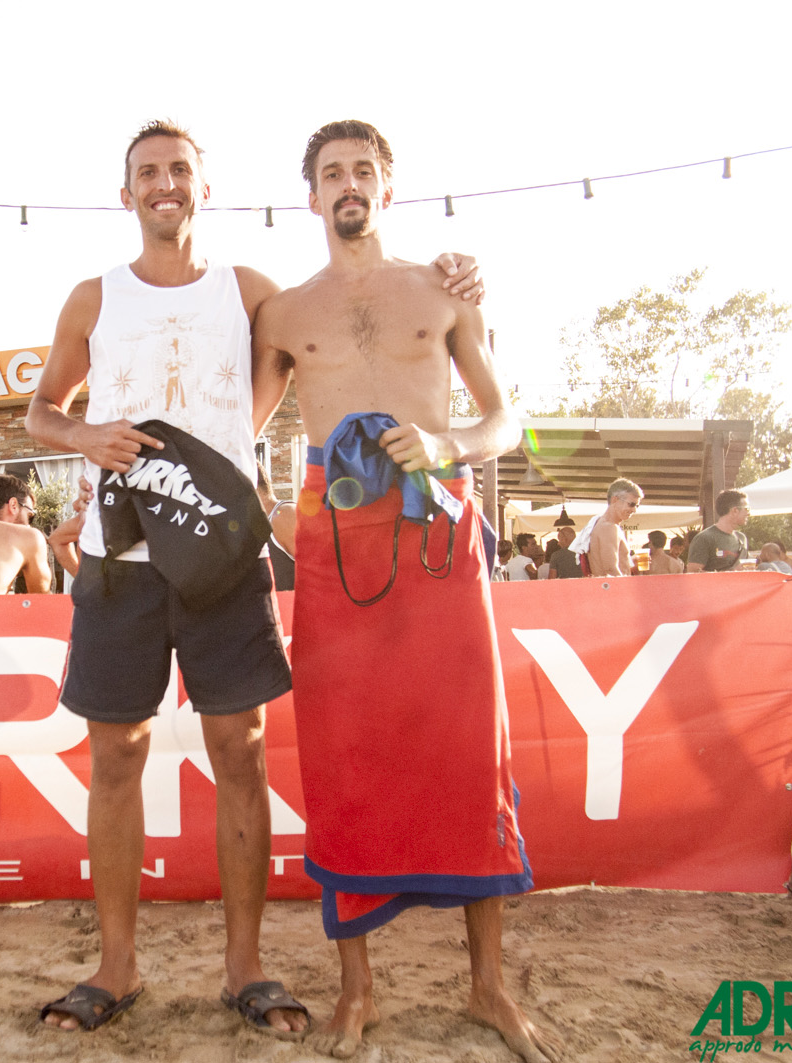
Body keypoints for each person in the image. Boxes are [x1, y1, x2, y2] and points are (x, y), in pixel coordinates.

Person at [25, 119, 486, 1039]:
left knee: (241, 752)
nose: (165, 183)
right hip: (119, 561)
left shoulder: (252, 295)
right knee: (116, 757)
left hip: (224, 556)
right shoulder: (93, 298)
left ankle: (246, 967)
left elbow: (326, 339)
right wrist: (83, 435)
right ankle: (116, 966)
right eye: (148, 172)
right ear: (127, 193)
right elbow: (43, 408)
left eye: (180, 170)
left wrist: (458, 275)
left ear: (204, 188)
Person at [254, 120, 555, 1062]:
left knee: (469, 747)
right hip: (335, 537)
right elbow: (236, 425)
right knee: (342, 751)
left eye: (364, 171)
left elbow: (505, 418)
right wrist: (258, 507)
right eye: (331, 173)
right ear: (310, 195)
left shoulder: (443, 288)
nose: (348, 184)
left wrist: (449, 444)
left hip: (438, 529)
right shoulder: (283, 314)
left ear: (388, 187)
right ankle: (358, 991)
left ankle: (488, 986)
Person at [585, 478, 641, 578]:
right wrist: (625, 586)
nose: (634, 510)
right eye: (631, 504)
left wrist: (630, 562)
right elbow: (610, 569)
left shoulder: (602, 523)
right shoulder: (609, 527)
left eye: (637, 506)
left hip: (605, 585)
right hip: (611, 586)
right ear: (615, 500)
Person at [686, 490, 750, 573]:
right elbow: (693, 574)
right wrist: (731, 573)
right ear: (735, 511)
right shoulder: (704, 538)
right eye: (747, 509)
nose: (749, 513)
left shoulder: (742, 538)